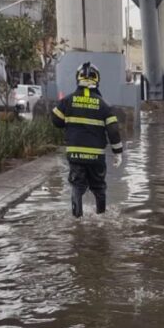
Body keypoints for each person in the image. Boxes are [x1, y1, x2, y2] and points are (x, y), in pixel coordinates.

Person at [51, 62, 123, 217]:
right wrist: (118, 152)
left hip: (75, 154)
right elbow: (113, 130)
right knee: (99, 188)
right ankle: (102, 218)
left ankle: (77, 220)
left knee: (77, 187)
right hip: (96, 156)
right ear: (97, 79)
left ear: (78, 78)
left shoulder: (68, 101)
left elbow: (56, 121)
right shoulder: (104, 105)